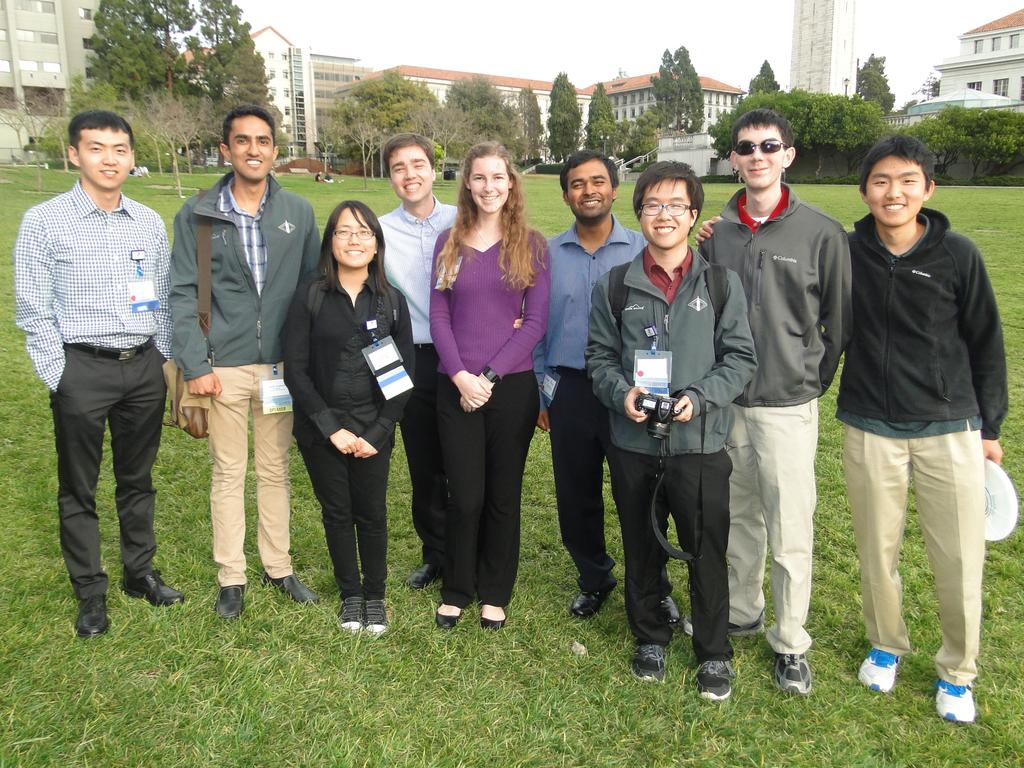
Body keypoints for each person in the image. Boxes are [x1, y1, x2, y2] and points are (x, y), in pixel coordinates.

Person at [838, 135, 1007, 724]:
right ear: (865, 191)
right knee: (875, 550)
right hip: (869, 425)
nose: (894, 192)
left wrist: (990, 427)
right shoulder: (845, 250)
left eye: (908, 180)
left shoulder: (957, 254)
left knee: (959, 557)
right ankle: (886, 645)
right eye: (882, 180)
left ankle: (958, 673)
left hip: (950, 427)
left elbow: (987, 343)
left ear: (928, 188)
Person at [586, 161, 756, 698]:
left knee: (707, 548)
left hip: (699, 443)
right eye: (654, 205)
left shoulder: (721, 284)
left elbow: (740, 358)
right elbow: (598, 358)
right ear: (639, 213)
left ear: (693, 215)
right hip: (634, 442)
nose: (664, 215)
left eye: (676, 206)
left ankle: (713, 651)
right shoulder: (615, 284)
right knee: (641, 545)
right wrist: (624, 395)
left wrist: (698, 399)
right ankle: (650, 636)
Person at [698, 108, 851, 695]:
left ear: (788, 154)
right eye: (745, 147)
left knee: (790, 525)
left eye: (769, 145)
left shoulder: (822, 232)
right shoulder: (717, 234)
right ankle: (742, 610)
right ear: (733, 160)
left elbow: (838, 324)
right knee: (738, 517)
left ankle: (790, 641)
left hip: (788, 405)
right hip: (727, 402)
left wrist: (807, 381)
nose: (756, 155)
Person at [14, 110, 183, 637]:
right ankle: (90, 590)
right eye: (96, 148)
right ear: (74, 154)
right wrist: (58, 374)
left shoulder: (147, 222)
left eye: (119, 149)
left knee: (137, 481)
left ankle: (140, 572)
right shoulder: (45, 221)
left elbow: (161, 299)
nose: (109, 159)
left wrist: (164, 360)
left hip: (142, 367)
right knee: (78, 487)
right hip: (81, 368)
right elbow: (32, 306)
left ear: (132, 157)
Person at [170, 104, 321, 619]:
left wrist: (304, 364)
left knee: (275, 471)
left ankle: (278, 567)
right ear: (226, 149)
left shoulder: (297, 212)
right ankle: (230, 577)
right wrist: (196, 365)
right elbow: (183, 292)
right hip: (222, 368)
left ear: (275, 150)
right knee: (228, 472)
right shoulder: (198, 212)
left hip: (279, 370)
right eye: (242, 141)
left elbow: (310, 292)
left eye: (262, 141)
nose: (253, 150)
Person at [534, 150, 678, 624]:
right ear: (566, 194)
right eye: (577, 183)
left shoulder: (645, 248)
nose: (589, 190)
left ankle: (655, 585)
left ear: (615, 190)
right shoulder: (546, 255)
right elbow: (533, 327)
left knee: (641, 493)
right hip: (571, 390)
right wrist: (543, 392)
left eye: (598, 181)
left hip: (632, 392)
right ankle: (594, 578)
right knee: (576, 495)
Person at [429, 141, 550, 630]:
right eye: (479, 178)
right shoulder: (448, 242)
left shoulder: (532, 244)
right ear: (467, 184)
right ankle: (458, 586)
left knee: (503, 494)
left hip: (511, 388)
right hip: (453, 385)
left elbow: (536, 322)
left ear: (511, 183)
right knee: (466, 494)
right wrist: (460, 374)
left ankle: (495, 590)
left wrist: (489, 378)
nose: (489, 187)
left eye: (497, 177)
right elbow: (439, 314)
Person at [283, 201, 413, 635]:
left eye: (363, 233)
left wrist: (379, 431)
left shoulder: (391, 301)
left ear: (376, 244)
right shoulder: (311, 295)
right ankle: (351, 595)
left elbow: (403, 377)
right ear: (330, 242)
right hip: (323, 430)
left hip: (373, 428)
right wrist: (330, 428)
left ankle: (375, 596)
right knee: (337, 512)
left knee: (372, 513)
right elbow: (296, 370)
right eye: (343, 232)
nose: (354, 241)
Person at [380, 133, 457, 590]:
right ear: (390, 177)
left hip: (462, 357)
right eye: (398, 168)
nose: (409, 175)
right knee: (424, 463)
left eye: (417, 165)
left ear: (433, 168)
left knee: (465, 460)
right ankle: (436, 553)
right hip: (411, 358)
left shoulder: (462, 218)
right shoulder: (380, 229)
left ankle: (472, 547)